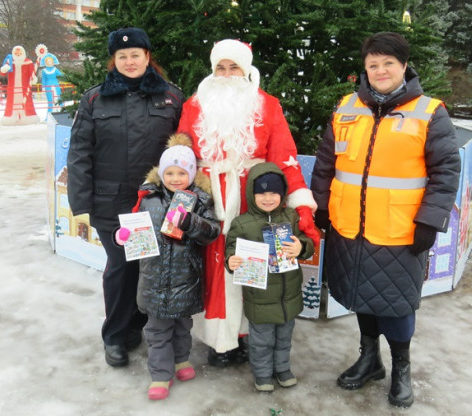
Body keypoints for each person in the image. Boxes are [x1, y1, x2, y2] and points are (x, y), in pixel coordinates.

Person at [310, 32, 460, 408]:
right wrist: (322, 206)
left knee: (396, 304)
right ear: (365, 68)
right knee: (363, 295)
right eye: (373, 64)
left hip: (400, 231)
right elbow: (326, 163)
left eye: (388, 64)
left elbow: (446, 171)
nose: (380, 71)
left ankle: (401, 369)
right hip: (349, 226)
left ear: (404, 66)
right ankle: (369, 358)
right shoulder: (346, 107)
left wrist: (430, 221)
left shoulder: (429, 111)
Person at [177, 39, 319, 367]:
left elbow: (284, 157)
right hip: (209, 197)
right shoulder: (194, 105)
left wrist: (297, 201)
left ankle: (243, 335)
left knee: (249, 263)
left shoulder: (267, 105)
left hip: (253, 198)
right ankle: (217, 341)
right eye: (220, 68)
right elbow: (182, 155)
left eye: (234, 67)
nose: (227, 75)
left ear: (247, 70)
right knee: (214, 267)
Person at [67, 27, 185, 368]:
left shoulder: (172, 98)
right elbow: (79, 154)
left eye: (136, 55)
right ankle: (116, 336)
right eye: (122, 56)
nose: (129, 61)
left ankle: (144, 328)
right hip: (112, 204)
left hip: (155, 204)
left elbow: (183, 151)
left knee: (150, 265)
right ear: (113, 61)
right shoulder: (94, 99)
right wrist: (81, 203)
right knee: (121, 267)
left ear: (148, 58)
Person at [113, 135, 221, 400]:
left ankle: (181, 360)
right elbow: (135, 228)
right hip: (155, 279)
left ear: (192, 174)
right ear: (161, 174)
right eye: (169, 173)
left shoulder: (200, 200)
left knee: (183, 325)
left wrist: (190, 222)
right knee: (158, 330)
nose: (175, 178)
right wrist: (122, 235)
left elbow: (212, 232)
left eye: (181, 173)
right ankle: (161, 375)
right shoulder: (148, 198)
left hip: (186, 279)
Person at [225, 163, 315, 392]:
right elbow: (231, 251)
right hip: (260, 297)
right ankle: (263, 374)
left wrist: (301, 247)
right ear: (251, 194)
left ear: (282, 193)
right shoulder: (241, 224)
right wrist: (231, 261)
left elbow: (308, 244)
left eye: (274, 192)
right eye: (261, 193)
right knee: (261, 341)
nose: (268, 198)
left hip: (288, 296)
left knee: (284, 338)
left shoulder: (291, 217)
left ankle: (283, 368)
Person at [0, 45, 40, 125]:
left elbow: (32, 73)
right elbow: (3, 73)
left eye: (20, 52)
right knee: (13, 102)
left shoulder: (28, 62)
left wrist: (33, 78)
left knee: (26, 102)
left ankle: (28, 116)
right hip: (12, 88)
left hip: (25, 88)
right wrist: (4, 69)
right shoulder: (10, 62)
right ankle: (11, 117)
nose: (18, 54)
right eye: (16, 52)